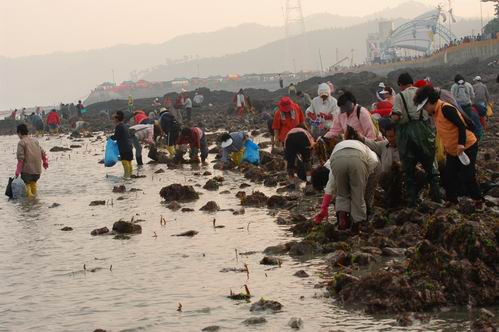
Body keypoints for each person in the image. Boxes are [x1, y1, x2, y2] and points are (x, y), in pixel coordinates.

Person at [414, 86, 481, 206]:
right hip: (452, 150)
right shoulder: (435, 113)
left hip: (467, 146)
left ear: (430, 102)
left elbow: (461, 126)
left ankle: (478, 201)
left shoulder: (446, 108)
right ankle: (452, 201)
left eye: (424, 107)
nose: (425, 110)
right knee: (449, 175)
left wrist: (461, 144)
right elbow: (445, 131)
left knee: (468, 176)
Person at [391, 73, 441, 206]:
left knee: (408, 170)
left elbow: (396, 116)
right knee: (430, 166)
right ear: (412, 82)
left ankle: (411, 202)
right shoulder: (421, 92)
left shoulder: (399, 96)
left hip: (406, 134)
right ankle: (437, 197)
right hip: (424, 131)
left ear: (401, 85)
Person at [311, 138, 379, 230]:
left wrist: (324, 209)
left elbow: (329, 189)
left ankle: (342, 220)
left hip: (338, 158)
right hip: (358, 157)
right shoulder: (370, 153)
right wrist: (365, 174)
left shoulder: (330, 166)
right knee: (358, 195)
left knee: (342, 194)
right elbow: (374, 161)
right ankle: (358, 224)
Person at [360, 122, 403, 208]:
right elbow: (372, 144)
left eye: (392, 136)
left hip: (403, 178)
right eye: (388, 136)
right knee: (382, 176)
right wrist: (360, 137)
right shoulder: (384, 144)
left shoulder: (405, 145)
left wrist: (400, 165)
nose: (390, 139)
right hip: (387, 179)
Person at [15, 124, 48, 198]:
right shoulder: (35, 140)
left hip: (27, 171)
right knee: (33, 183)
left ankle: (30, 202)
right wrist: (45, 162)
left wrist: (17, 172)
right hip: (37, 171)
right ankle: (35, 200)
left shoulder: (21, 142)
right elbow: (43, 153)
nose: (18, 136)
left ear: (19, 132)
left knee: (27, 185)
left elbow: (20, 159)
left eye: (18, 134)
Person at [110, 111, 133, 178]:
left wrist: (110, 138)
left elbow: (115, 137)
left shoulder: (119, 127)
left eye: (114, 119)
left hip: (124, 147)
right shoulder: (124, 125)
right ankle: (130, 177)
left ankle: (126, 178)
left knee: (125, 162)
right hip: (129, 146)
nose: (113, 120)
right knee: (129, 162)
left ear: (117, 119)